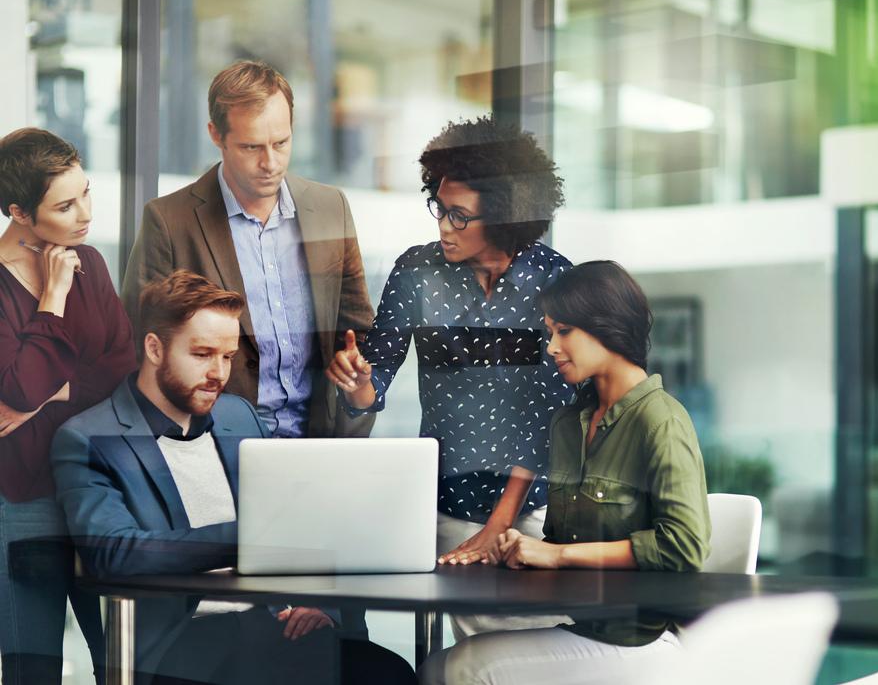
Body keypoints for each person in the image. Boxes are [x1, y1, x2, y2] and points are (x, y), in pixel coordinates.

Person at [52, 270, 416, 685]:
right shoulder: (88, 437)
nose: (218, 373)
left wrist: (316, 604)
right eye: (203, 354)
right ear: (154, 348)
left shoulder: (237, 415)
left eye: (227, 357)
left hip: (270, 627)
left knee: (390, 673)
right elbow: (112, 553)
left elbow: (296, 522)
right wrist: (248, 540)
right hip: (178, 648)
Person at [326, 116, 573, 638]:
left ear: (504, 217)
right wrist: (358, 383)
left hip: (533, 510)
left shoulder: (554, 281)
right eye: (439, 208)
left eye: (459, 216)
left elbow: (551, 417)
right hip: (445, 504)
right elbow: (378, 377)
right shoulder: (417, 272)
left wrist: (497, 527)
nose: (443, 227)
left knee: (531, 645)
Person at [419, 261, 712, 685]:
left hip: (641, 643)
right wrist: (521, 550)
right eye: (550, 332)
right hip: (583, 627)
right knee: (436, 667)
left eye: (565, 331)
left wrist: (556, 555)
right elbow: (562, 541)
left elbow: (684, 547)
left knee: (463, 668)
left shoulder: (661, 420)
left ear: (607, 328)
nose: (552, 347)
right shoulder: (569, 424)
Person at [121, 59, 375, 442]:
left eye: (281, 143)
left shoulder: (329, 208)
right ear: (215, 135)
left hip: (319, 444)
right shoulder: (169, 222)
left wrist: (357, 380)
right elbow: (139, 349)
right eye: (251, 146)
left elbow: (357, 331)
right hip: (213, 448)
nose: (270, 163)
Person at [0, 127, 137, 684]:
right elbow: (19, 390)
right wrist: (53, 297)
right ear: (19, 213)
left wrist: (46, 393)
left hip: (98, 492)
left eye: (86, 193)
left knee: (123, 660)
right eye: (64, 205)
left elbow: (120, 369)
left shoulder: (94, 264)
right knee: (33, 669)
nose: (84, 214)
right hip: (22, 497)